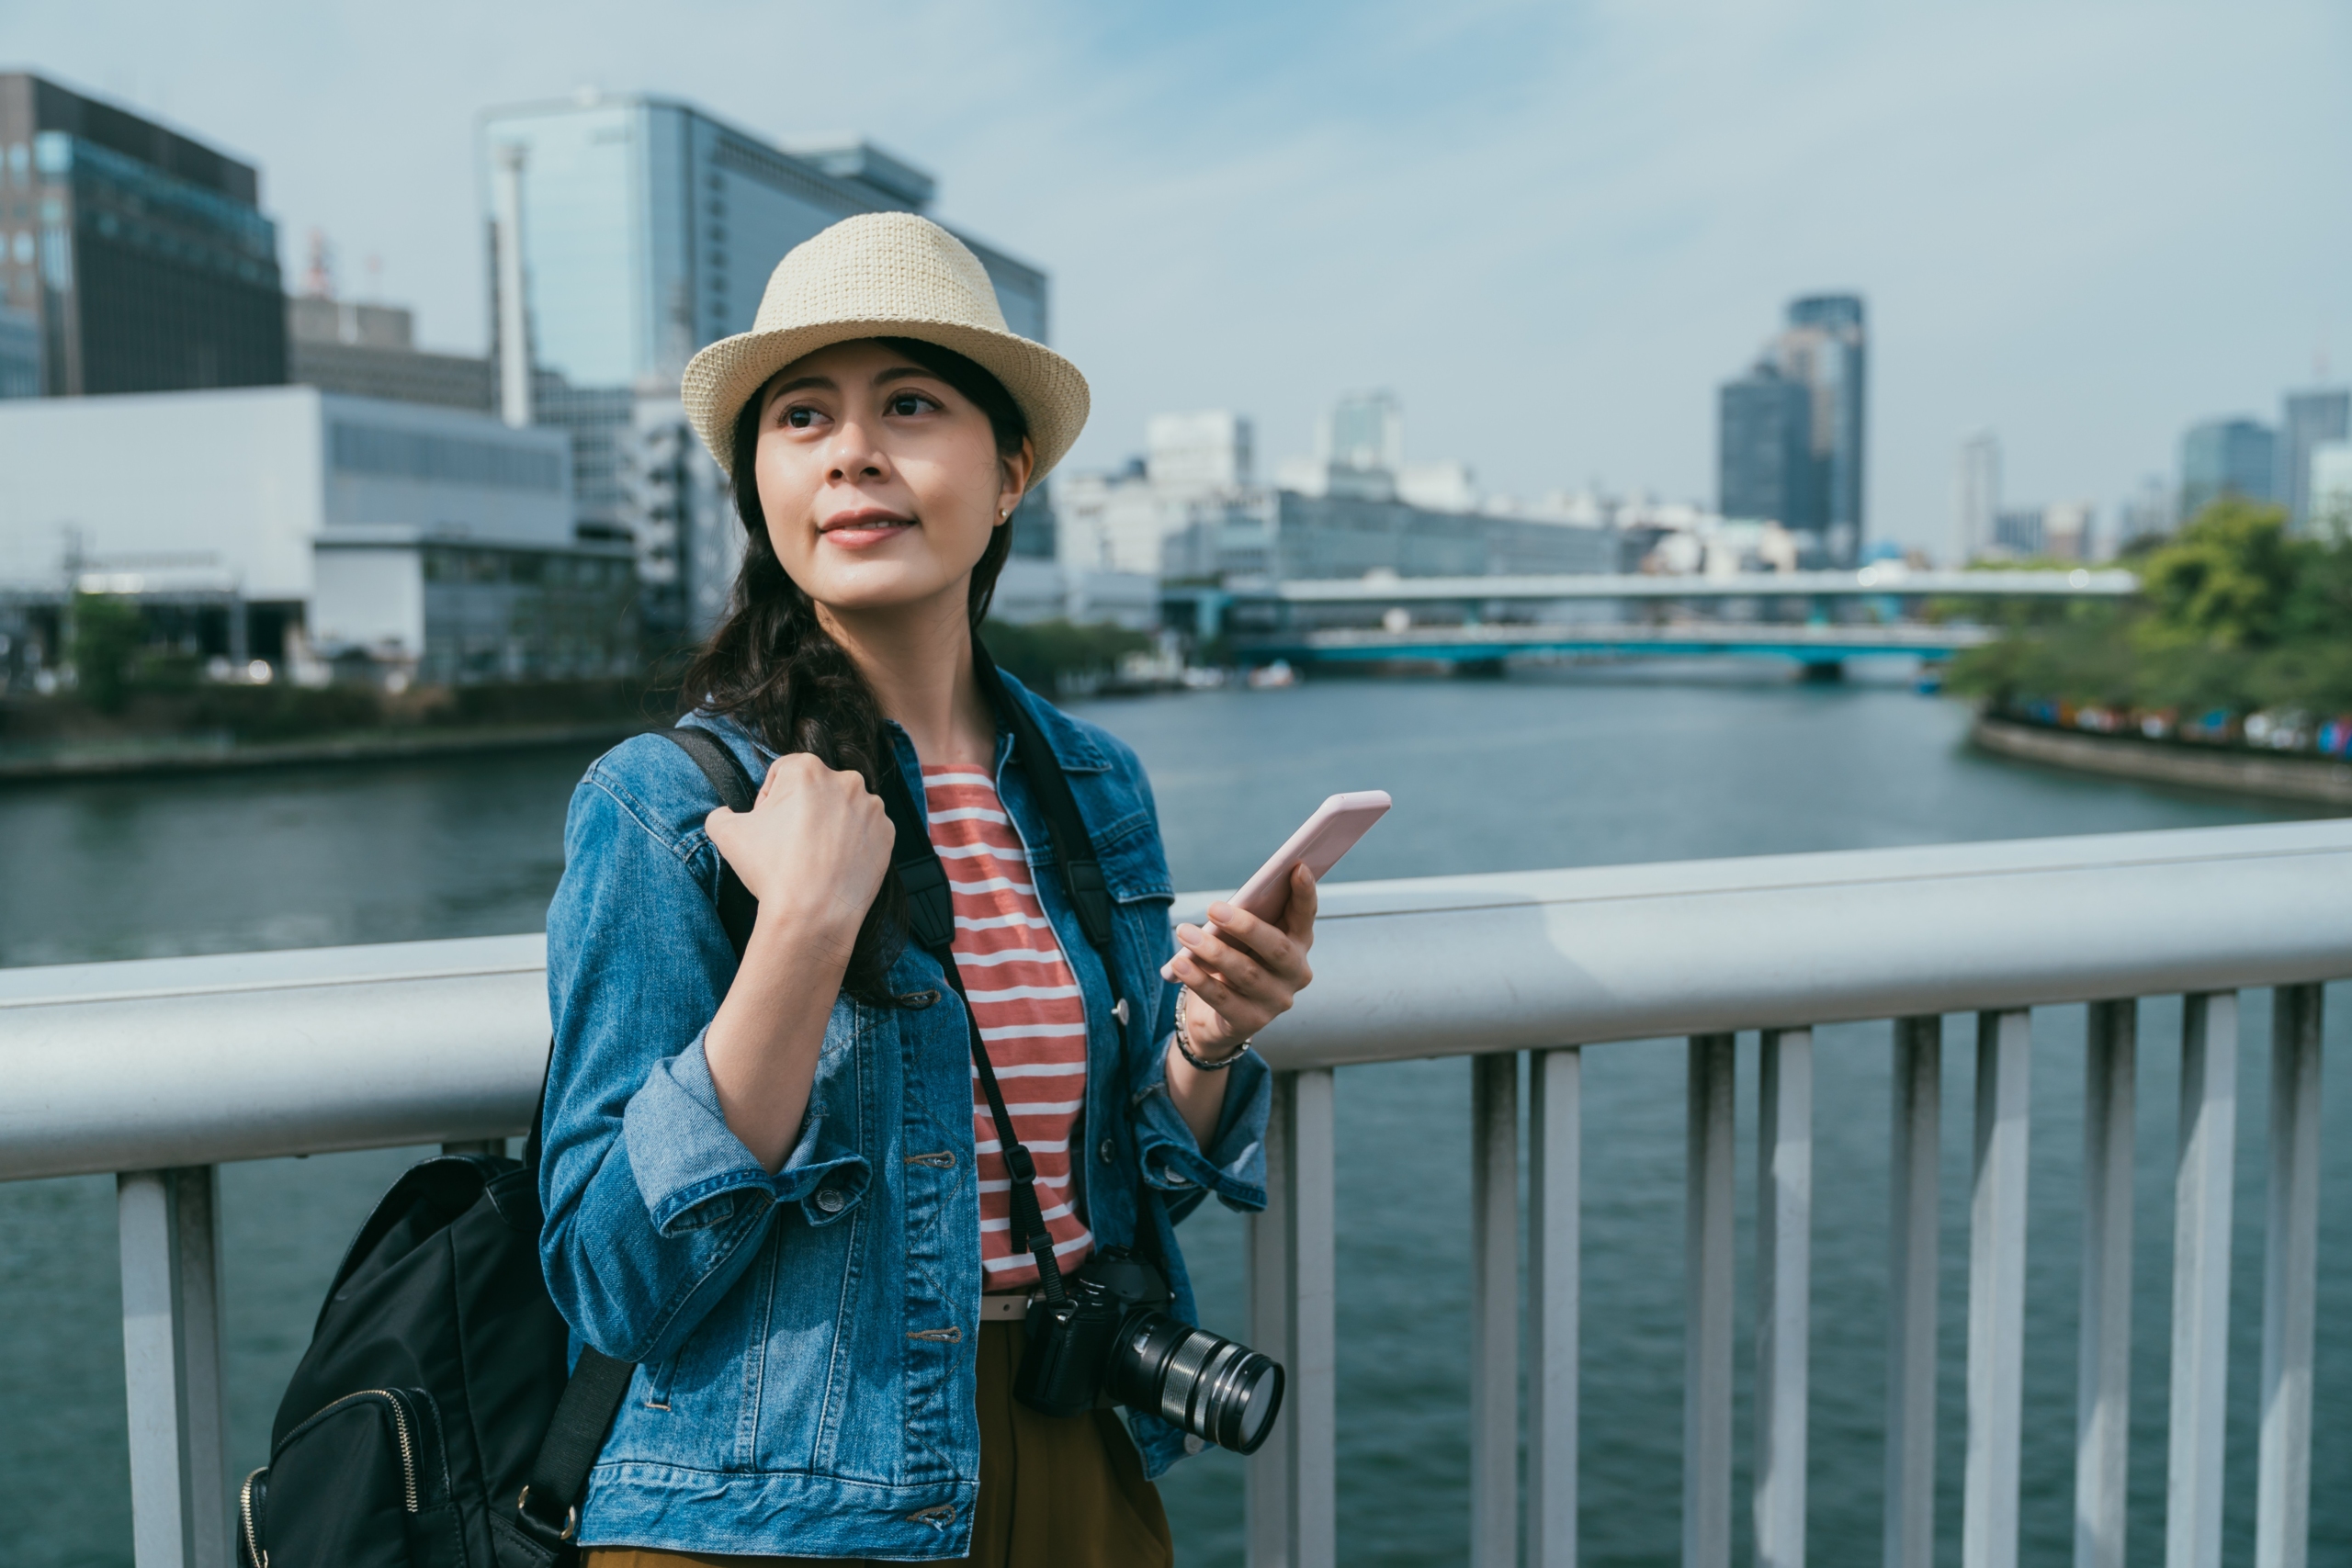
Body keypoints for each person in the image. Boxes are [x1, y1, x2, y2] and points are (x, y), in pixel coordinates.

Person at [540, 212, 1318, 1567]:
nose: (852, 451)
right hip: (770, 1511)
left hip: (1072, 1450)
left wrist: (1206, 1042)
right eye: (801, 418)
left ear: (1010, 474)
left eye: (909, 404)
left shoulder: (1088, 782)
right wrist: (798, 936)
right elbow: (608, 1279)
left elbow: (1112, 1189)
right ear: (761, 487)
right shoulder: (669, 803)